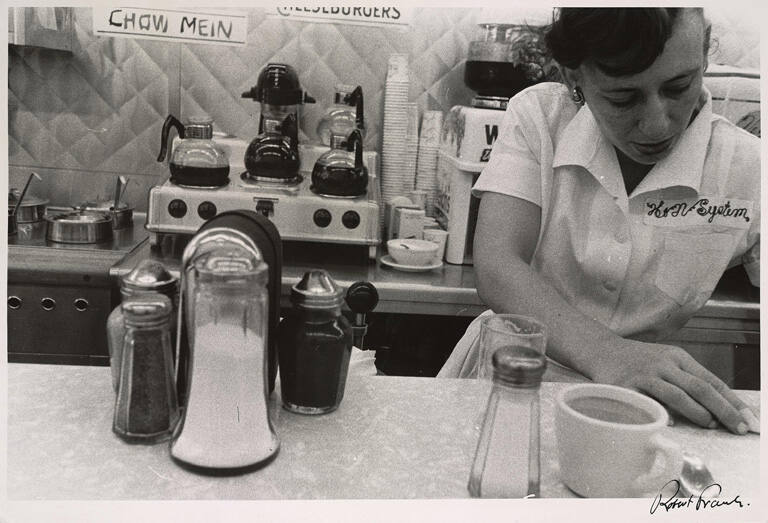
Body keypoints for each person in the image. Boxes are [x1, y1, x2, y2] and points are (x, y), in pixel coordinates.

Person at [438, 8, 760, 435]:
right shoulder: (541, 118)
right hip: (509, 384)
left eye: (679, 87)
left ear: (703, 59)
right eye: (623, 98)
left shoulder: (749, 168)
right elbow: (499, 264)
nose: (657, 123)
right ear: (576, 78)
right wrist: (610, 353)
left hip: (635, 412)